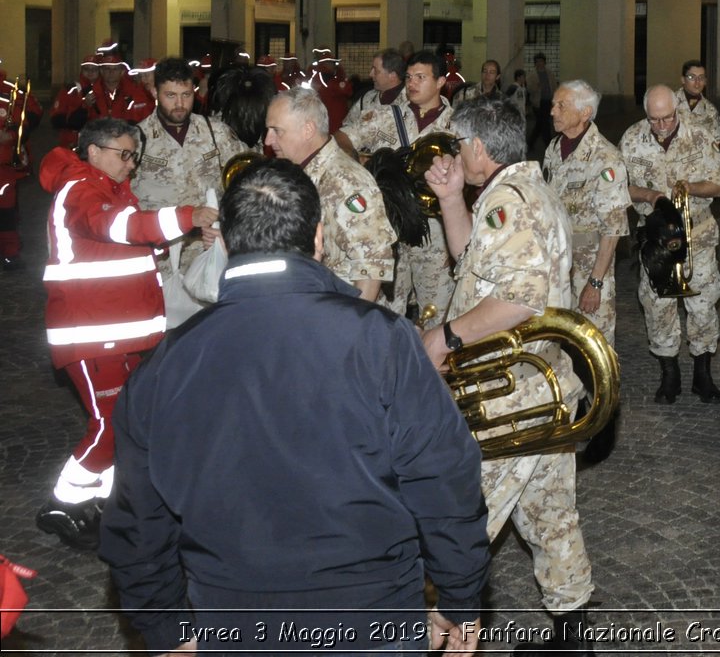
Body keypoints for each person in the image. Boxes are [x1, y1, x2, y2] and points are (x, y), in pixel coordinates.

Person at [100, 159, 488, 655]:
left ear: (221, 243)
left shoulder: (165, 364)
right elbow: (444, 478)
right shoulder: (381, 338)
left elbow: (137, 522)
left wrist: (166, 630)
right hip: (371, 618)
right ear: (319, 237)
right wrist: (458, 596)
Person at [419, 97, 598, 654]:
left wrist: (445, 338)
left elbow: (519, 298)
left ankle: (439, 637)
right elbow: (472, 256)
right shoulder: (521, 190)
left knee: (459, 521)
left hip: (511, 399)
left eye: (457, 146)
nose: (452, 156)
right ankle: (573, 642)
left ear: (478, 146)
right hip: (539, 389)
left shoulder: (510, 202)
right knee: (550, 518)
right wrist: (451, 198)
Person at [36, 117, 218, 550]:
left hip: (116, 332)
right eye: (124, 154)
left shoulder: (109, 189)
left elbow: (127, 239)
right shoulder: (81, 189)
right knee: (110, 425)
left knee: (127, 421)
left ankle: (102, 502)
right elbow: (118, 228)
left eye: (134, 156)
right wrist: (189, 216)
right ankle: (63, 503)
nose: (131, 165)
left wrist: (177, 232)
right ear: (94, 151)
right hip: (91, 332)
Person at [620, 84, 720, 404]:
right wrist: (650, 195)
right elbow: (621, 187)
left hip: (698, 236)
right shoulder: (631, 139)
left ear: (677, 110)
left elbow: (718, 186)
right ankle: (669, 374)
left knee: (703, 305)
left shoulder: (700, 135)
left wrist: (689, 187)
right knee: (658, 307)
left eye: (667, 118)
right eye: (655, 120)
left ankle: (702, 374)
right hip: (656, 239)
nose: (662, 125)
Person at [339, 51, 456, 321]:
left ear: (440, 82)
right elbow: (342, 138)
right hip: (390, 230)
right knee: (385, 313)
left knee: (436, 314)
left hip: (437, 235)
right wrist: (363, 164)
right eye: (409, 77)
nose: (412, 83)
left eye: (421, 77)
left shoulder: (458, 125)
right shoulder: (383, 117)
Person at [266, 88, 398, 305]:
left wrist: (353, 326)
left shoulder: (346, 181)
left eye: (276, 130)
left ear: (308, 129)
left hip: (340, 312)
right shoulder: (303, 173)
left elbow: (371, 266)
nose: (268, 140)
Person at [132, 58, 248, 298]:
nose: (180, 104)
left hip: (210, 256)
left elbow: (247, 180)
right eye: (170, 95)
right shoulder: (137, 140)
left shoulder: (215, 132)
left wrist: (229, 227)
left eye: (186, 95)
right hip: (162, 261)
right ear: (154, 91)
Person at [543, 81, 629, 345]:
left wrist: (595, 283)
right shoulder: (554, 149)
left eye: (561, 105)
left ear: (585, 113)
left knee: (593, 345)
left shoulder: (606, 158)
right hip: (556, 265)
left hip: (588, 266)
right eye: (553, 104)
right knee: (557, 341)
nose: (552, 112)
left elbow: (612, 229)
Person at [0, 66, 44, 271]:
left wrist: (17, 134)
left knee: (6, 212)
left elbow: (33, 114)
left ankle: (10, 253)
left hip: (5, 166)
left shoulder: (12, 91)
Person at [674, 59, 720, 143]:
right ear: (683, 80)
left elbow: (715, 144)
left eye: (701, 78)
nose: (697, 82)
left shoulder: (710, 111)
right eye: (692, 77)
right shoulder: (669, 103)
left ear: (705, 81)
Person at [309, 47, 354, 133]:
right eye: (331, 63)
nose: (333, 65)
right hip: (334, 120)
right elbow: (347, 90)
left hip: (325, 118)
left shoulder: (318, 76)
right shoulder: (329, 78)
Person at [352, 48, 405, 116]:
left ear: (392, 75)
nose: (370, 74)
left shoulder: (411, 103)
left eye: (376, 71)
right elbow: (348, 124)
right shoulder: (366, 99)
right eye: (372, 69)